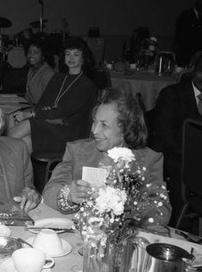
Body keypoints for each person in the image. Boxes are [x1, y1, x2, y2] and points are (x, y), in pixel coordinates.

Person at [42, 88, 172, 225]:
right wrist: (69, 195)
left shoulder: (148, 160)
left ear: (125, 129)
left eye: (104, 125)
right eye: (94, 121)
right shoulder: (77, 151)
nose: (94, 130)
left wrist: (125, 204)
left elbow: (161, 211)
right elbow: (49, 192)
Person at [8, 37, 97, 155]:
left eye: (76, 54)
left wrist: (33, 114)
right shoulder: (58, 78)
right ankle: (12, 171)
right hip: (52, 125)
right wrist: (41, 111)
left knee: (27, 123)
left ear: (83, 58)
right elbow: (43, 103)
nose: (71, 58)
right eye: (68, 54)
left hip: (71, 134)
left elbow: (62, 112)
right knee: (25, 143)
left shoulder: (86, 85)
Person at [150, 55, 202, 225]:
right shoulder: (172, 95)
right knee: (185, 172)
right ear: (194, 71)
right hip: (174, 154)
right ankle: (175, 223)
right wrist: (191, 156)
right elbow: (164, 136)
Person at [23, 38, 56, 105]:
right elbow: (28, 97)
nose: (31, 55)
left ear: (43, 55)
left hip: (42, 111)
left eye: (36, 52)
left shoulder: (49, 74)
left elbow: (48, 101)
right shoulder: (31, 70)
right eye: (29, 52)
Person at [172, 0, 202, 67]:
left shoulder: (200, 18)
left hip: (198, 56)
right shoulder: (185, 15)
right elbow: (181, 36)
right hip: (185, 54)